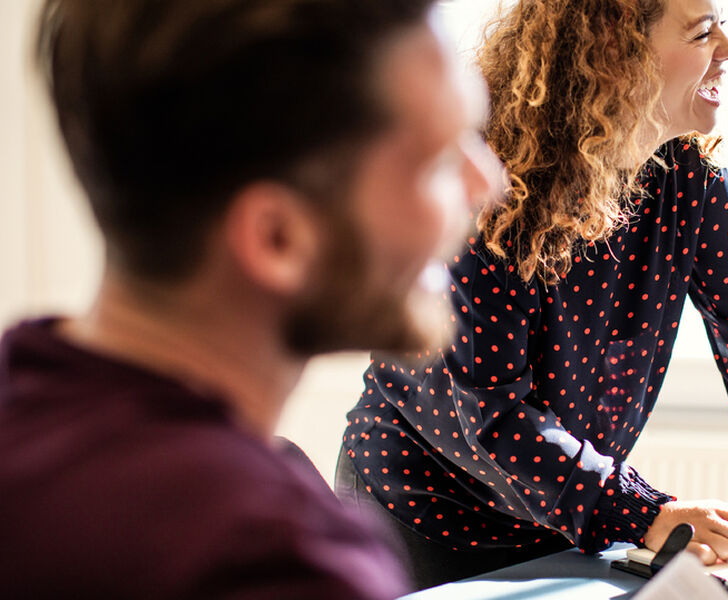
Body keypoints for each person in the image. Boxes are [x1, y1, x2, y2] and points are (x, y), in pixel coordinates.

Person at [340, 0, 728, 589]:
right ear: (617, 53)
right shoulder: (493, 184)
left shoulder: (687, 173)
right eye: (703, 32)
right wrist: (643, 512)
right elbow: (495, 413)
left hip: (565, 515)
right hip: (426, 517)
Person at [0, 0, 497, 597]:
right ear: (277, 238)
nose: (487, 182)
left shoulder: (23, 399)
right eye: (439, 161)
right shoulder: (281, 566)